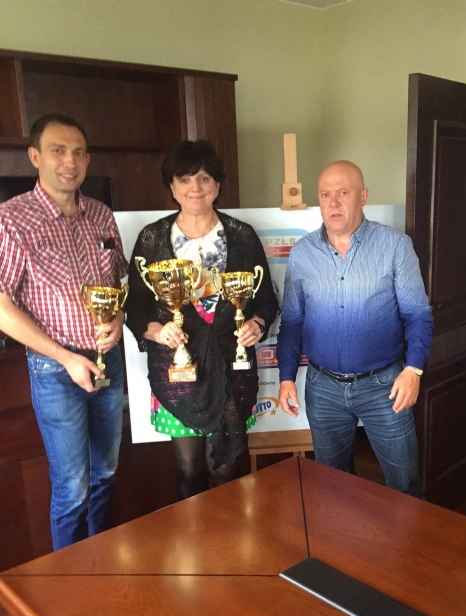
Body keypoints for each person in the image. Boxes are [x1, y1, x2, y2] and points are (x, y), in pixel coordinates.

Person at [0, 114, 128, 549]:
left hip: (108, 363)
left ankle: (103, 562)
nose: (69, 162)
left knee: (106, 473)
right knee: (73, 486)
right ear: (35, 156)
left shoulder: (102, 216)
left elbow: (118, 283)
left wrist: (118, 318)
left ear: (88, 160)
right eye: (58, 151)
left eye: (78, 152)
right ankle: (70, 579)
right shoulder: (12, 220)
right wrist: (65, 356)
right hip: (56, 371)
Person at [125, 140, 278, 499]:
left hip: (231, 368)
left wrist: (255, 325)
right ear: (172, 186)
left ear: (217, 185)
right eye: (184, 179)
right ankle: (194, 536)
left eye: (205, 178)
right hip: (177, 372)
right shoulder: (152, 239)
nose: (195, 187)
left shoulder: (241, 236)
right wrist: (159, 331)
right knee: (189, 467)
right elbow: (137, 307)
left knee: (226, 467)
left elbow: (266, 300)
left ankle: (232, 533)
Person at [277, 161, 433, 497]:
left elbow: (418, 314)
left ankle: (408, 534)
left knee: (405, 485)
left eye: (343, 192)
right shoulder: (303, 253)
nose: (333, 202)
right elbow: (291, 321)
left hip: (384, 387)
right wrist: (286, 377)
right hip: (323, 389)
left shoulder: (395, 246)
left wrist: (413, 369)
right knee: (333, 485)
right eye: (325, 194)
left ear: (363, 196)